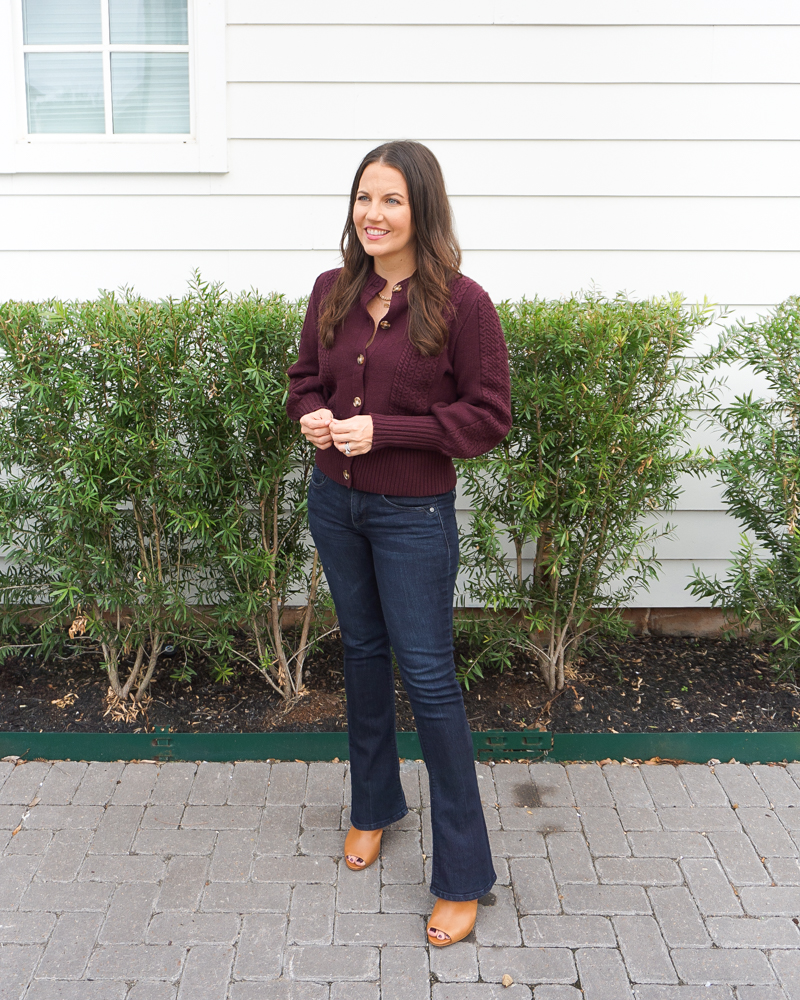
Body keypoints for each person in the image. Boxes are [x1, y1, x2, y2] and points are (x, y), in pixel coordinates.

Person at [286, 140, 512, 947]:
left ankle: (462, 873)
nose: (372, 216)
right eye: (362, 199)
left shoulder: (464, 304)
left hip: (413, 517)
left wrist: (387, 430)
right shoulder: (331, 289)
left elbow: (488, 417)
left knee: (429, 680)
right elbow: (304, 377)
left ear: (423, 209)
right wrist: (310, 414)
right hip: (334, 506)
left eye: (391, 201)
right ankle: (373, 804)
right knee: (362, 656)